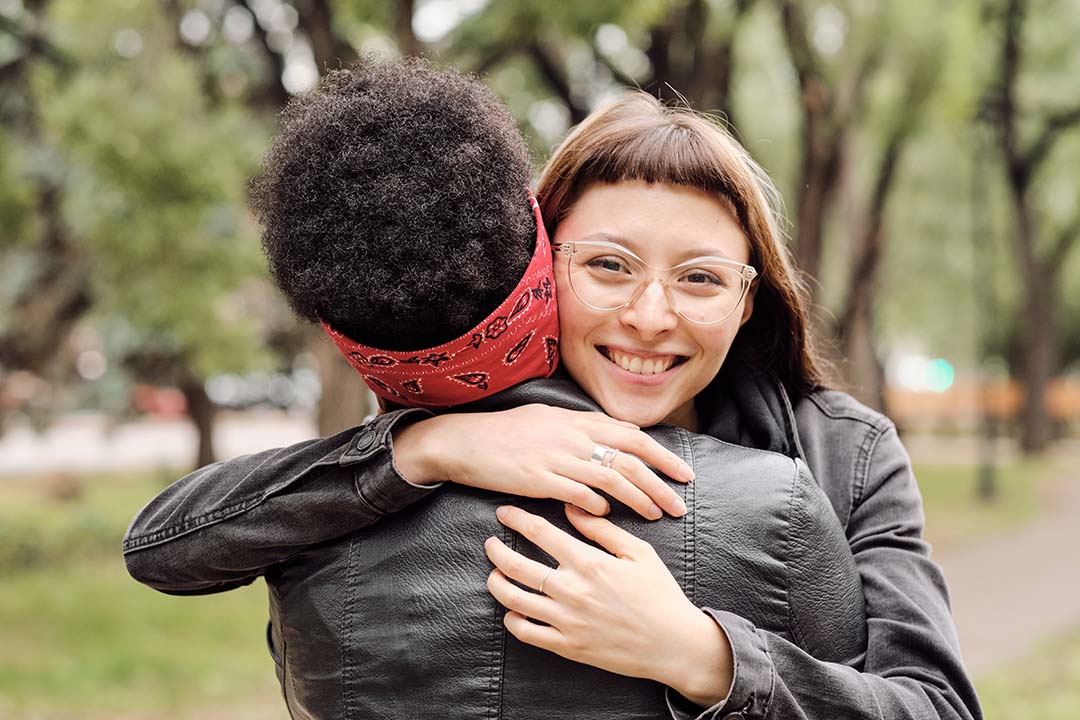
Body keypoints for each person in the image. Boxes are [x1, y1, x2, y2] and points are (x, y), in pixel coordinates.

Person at [125, 58, 979, 720]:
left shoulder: (842, 449)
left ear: (749, 297)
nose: (651, 317)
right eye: (608, 266)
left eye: (701, 278)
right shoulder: (454, 421)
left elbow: (935, 705)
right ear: (541, 263)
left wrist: (703, 656)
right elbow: (168, 544)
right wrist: (424, 447)